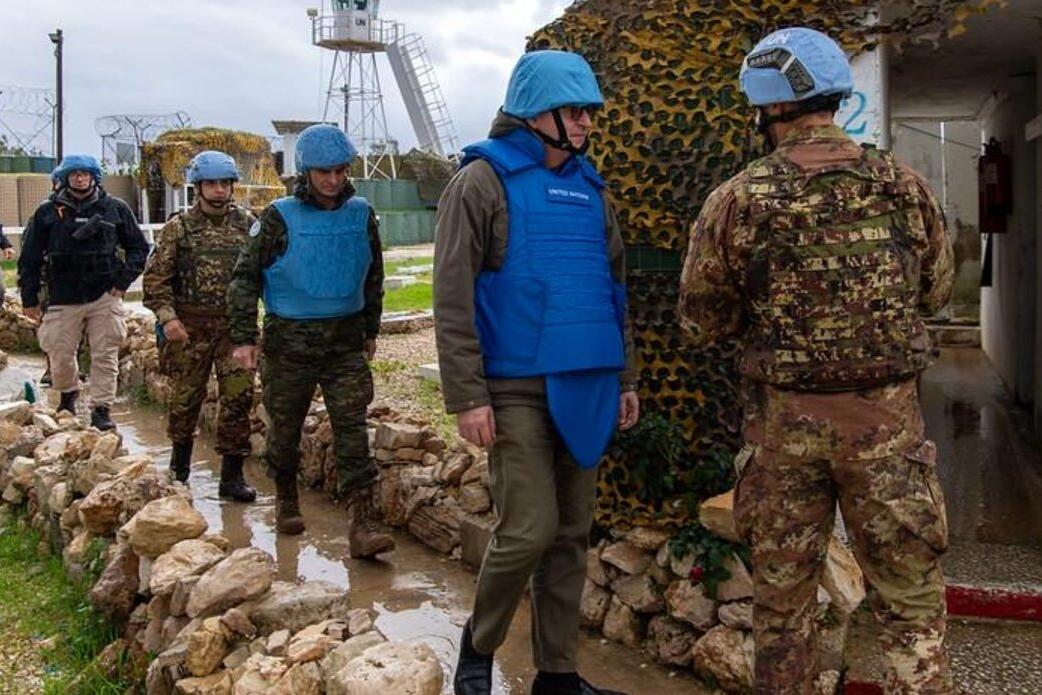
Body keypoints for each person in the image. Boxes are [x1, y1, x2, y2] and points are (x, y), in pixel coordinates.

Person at [678, 27, 956, 694]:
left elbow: (701, 322)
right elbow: (937, 291)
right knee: (911, 606)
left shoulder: (737, 199)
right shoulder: (904, 186)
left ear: (771, 106)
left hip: (784, 438)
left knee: (784, 613)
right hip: (887, 435)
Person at [434, 50, 640, 695]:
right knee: (527, 530)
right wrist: (467, 395)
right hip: (514, 386)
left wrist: (626, 378)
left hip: (589, 382)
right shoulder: (480, 183)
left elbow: (613, 291)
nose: (586, 123)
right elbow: (452, 295)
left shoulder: (592, 190)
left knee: (572, 534)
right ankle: (478, 646)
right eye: (574, 111)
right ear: (534, 113)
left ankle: (558, 676)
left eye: (588, 112)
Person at [227, 124, 394, 557]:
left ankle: (363, 523)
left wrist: (371, 329)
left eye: (340, 171)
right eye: (324, 172)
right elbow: (245, 278)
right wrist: (244, 338)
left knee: (352, 430)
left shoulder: (361, 214)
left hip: (345, 342)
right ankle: (286, 497)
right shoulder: (278, 217)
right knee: (285, 429)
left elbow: (373, 275)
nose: (333, 180)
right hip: (289, 344)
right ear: (306, 171)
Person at [142, 150, 257, 501]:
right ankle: (179, 471)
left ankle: (232, 477)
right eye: (211, 183)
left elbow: (263, 272)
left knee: (238, 399)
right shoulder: (179, 228)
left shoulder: (247, 225)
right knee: (186, 400)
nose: (219, 189)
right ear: (199, 187)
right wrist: (169, 319)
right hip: (190, 331)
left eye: (224, 183)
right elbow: (156, 280)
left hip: (235, 331)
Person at [18, 154, 149, 430]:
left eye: (85, 174)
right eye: (74, 174)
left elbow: (139, 248)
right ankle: (68, 395)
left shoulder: (115, 208)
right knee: (59, 353)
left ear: (93, 177)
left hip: (104, 294)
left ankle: (101, 409)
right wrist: (29, 298)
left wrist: (122, 281)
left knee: (106, 354)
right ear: (65, 178)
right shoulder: (47, 212)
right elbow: (29, 258)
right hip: (62, 295)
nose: (80, 178)